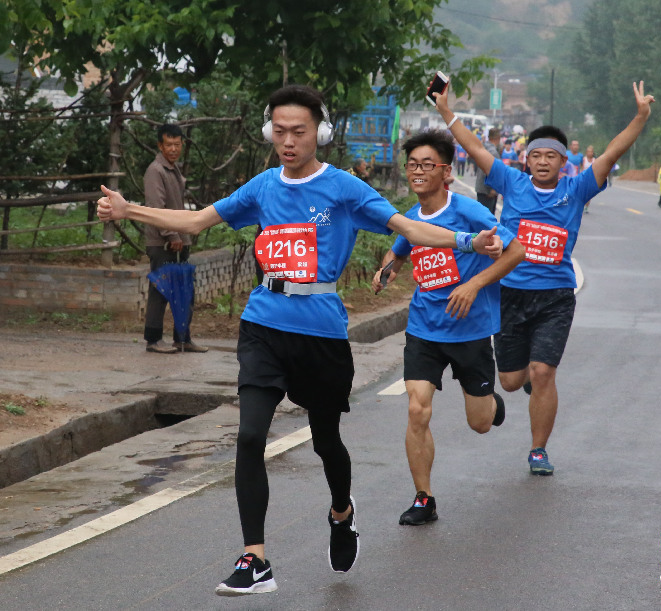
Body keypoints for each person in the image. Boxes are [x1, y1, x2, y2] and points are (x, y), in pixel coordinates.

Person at [97, 84, 502, 596]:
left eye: (299, 131)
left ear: (319, 134)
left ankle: (341, 511)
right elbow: (197, 221)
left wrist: (467, 241)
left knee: (327, 442)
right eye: (279, 131)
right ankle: (255, 558)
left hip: (321, 334)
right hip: (264, 324)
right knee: (249, 435)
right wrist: (128, 209)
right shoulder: (263, 187)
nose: (287, 141)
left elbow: (410, 228)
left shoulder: (345, 190)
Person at [433, 80, 654, 475]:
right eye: (538, 156)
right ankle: (529, 386)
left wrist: (639, 117)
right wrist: (447, 111)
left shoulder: (578, 188)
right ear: (527, 160)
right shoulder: (511, 183)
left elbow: (612, 151)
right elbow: (477, 149)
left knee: (542, 371)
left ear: (563, 161)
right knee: (514, 380)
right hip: (510, 294)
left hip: (554, 297)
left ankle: (538, 450)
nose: (544, 161)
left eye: (553, 156)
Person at [372, 129, 524, 526]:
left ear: (446, 172)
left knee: (480, 424)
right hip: (424, 328)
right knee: (417, 408)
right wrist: (387, 269)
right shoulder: (411, 216)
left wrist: (474, 284)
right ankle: (424, 498)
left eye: (427, 165)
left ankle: (490, 403)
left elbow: (516, 251)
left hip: (469, 331)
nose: (418, 172)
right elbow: (402, 247)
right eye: (412, 165)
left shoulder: (469, 212)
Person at [142, 123, 208, 354]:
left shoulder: (174, 169)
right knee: (160, 291)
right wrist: (171, 234)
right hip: (163, 242)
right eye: (168, 144)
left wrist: (181, 235)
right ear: (160, 145)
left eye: (177, 144)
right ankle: (153, 339)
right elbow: (155, 207)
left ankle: (183, 338)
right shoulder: (155, 170)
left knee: (184, 291)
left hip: (180, 240)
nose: (173, 148)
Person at [474, 127, 502, 214]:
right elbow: (493, 172)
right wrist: (493, 189)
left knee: (481, 215)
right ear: (498, 138)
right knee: (488, 218)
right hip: (488, 191)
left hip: (480, 187)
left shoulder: (483, 148)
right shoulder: (493, 152)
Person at [581, 145, 595, 213]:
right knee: (583, 193)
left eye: (591, 152)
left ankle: (586, 207)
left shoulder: (595, 160)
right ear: (586, 152)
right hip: (583, 178)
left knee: (589, 194)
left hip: (591, 179)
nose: (590, 153)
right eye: (588, 152)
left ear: (593, 153)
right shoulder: (584, 159)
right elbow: (581, 168)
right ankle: (581, 206)